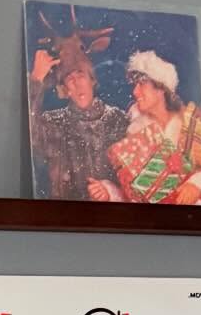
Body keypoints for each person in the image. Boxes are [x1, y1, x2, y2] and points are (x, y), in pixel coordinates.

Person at [93, 50, 201, 206]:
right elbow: (133, 196)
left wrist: (198, 183)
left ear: (161, 87)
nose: (135, 92)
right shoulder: (134, 134)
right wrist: (108, 192)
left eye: (141, 84)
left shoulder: (194, 122)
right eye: (134, 85)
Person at [28, 46, 128, 201]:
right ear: (65, 90)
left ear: (92, 80)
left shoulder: (118, 120)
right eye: (70, 79)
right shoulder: (53, 123)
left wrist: (110, 191)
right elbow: (29, 133)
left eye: (81, 75)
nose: (77, 83)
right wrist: (36, 79)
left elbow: (133, 177)